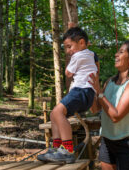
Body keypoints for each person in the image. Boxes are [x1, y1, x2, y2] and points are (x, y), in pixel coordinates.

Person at [37, 27, 98, 163]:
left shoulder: (78, 55)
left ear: (82, 43)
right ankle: (56, 147)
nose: (68, 51)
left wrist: (71, 60)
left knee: (58, 112)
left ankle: (66, 150)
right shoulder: (91, 54)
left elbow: (68, 73)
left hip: (81, 90)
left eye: (69, 46)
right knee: (54, 114)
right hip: (86, 94)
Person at [89, 41, 129, 170]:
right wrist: (91, 89)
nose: (116, 54)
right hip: (107, 141)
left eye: (121, 52)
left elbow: (116, 116)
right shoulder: (109, 82)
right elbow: (95, 109)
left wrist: (100, 93)